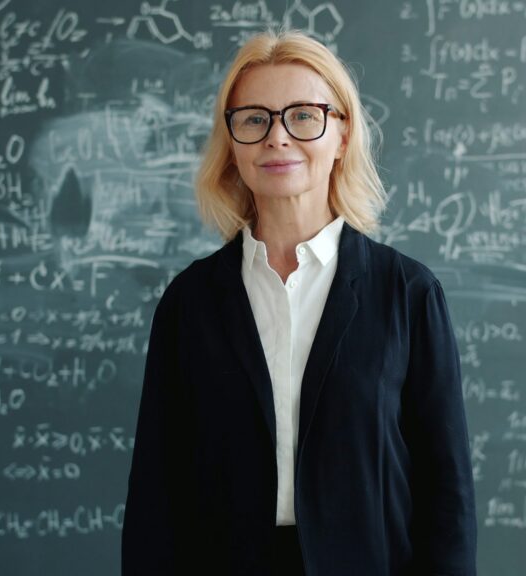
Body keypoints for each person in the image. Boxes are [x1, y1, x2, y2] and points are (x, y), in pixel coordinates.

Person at [122, 29, 477, 576]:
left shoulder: (407, 293)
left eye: (304, 115)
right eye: (255, 118)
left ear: (341, 134)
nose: (277, 138)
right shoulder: (189, 304)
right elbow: (156, 496)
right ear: (232, 142)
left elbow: (447, 494)